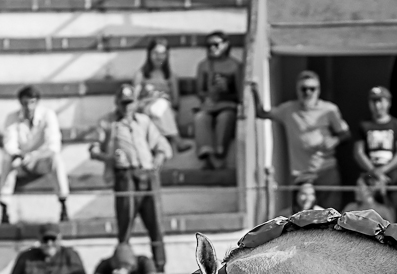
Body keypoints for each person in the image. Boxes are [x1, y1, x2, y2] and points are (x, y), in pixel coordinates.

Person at [90, 84, 171, 273]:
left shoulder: (143, 121)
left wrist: (156, 161)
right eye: (123, 103)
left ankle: (160, 266)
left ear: (135, 103)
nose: (127, 107)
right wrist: (110, 158)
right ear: (117, 103)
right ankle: (123, 265)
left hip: (147, 174)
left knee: (156, 223)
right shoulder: (107, 123)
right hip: (124, 175)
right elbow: (93, 150)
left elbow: (162, 145)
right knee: (125, 225)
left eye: (130, 102)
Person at [250, 72, 351, 211]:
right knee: (301, 216)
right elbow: (261, 113)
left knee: (330, 214)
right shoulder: (288, 109)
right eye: (304, 89)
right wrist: (254, 89)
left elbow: (346, 134)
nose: (308, 92)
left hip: (325, 170)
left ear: (318, 90)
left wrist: (335, 140)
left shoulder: (329, 109)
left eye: (312, 89)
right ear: (297, 90)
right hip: (301, 175)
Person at [0, 86, 69, 224]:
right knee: (7, 160)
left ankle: (63, 203)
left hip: (40, 160)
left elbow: (53, 145)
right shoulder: (12, 117)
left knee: (57, 160)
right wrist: (21, 156)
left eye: (32, 102)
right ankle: (4, 208)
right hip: (21, 161)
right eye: (25, 103)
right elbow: (9, 145)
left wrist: (33, 156)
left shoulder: (48, 115)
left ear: (37, 102)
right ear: (20, 103)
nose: (29, 107)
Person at [193, 31, 242, 170]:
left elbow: (240, 95)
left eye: (216, 44)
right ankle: (207, 153)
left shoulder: (235, 66)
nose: (212, 48)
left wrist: (225, 89)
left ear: (226, 45)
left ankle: (220, 153)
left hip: (228, 105)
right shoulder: (203, 65)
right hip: (210, 105)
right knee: (200, 118)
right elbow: (199, 91)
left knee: (225, 118)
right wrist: (210, 94)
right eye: (208, 45)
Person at [133, 37, 187, 151]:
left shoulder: (170, 75)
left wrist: (162, 98)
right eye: (155, 53)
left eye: (163, 53)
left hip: (166, 111)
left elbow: (176, 102)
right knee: (156, 107)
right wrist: (151, 98)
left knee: (161, 105)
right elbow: (134, 102)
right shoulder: (141, 74)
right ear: (149, 54)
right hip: (146, 109)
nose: (159, 57)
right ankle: (177, 139)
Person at [353, 87, 397, 192]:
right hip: (369, 177)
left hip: (391, 177)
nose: (377, 105)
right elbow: (358, 153)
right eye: (373, 101)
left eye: (380, 101)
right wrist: (374, 172)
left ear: (388, 102)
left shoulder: (396, 125)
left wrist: (383, 170)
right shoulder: (364, 125)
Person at [5, 224, 87, 274]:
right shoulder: (26, 257)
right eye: (45, 239)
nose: (49, 243)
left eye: (53, 239)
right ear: (39, 239)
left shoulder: (70, 255)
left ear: (59, 238)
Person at [89, 242, 159, 274]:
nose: (122, 268)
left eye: (126, 265)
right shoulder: (105, 264)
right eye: (119, 265)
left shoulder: (144, 262)